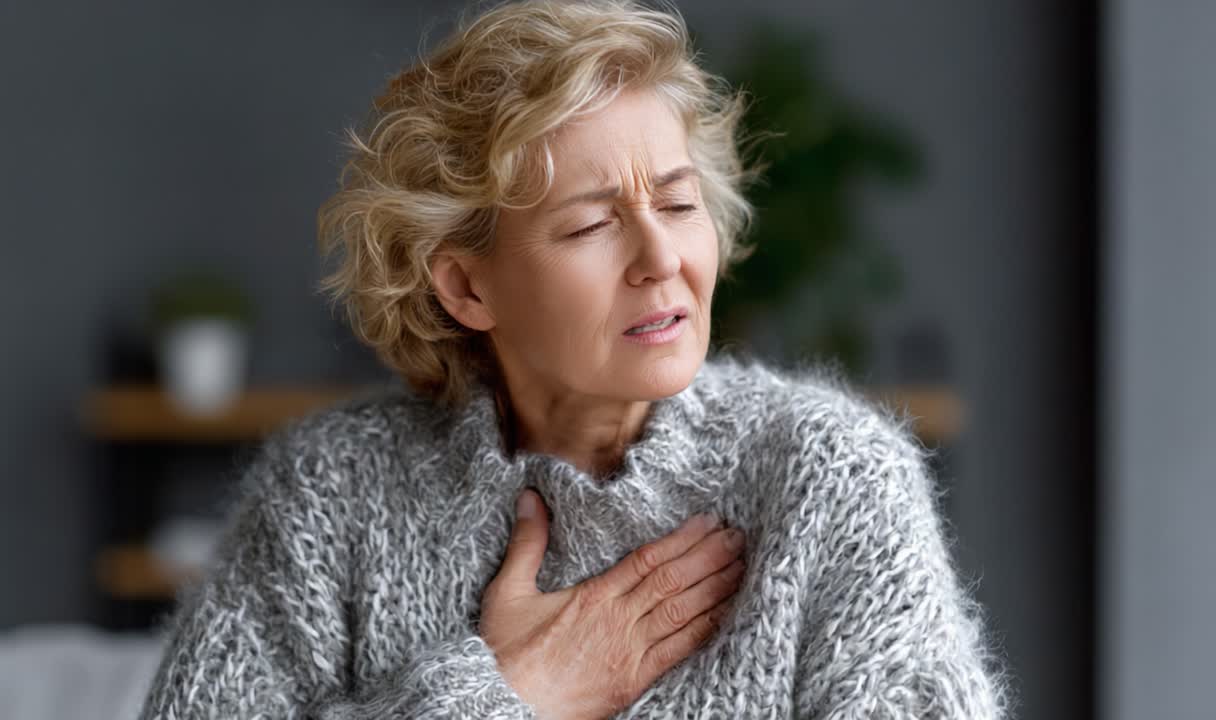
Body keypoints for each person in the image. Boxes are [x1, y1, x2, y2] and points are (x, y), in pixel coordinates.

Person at [138, 1, 1015, 718]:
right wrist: (511, 693)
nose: (660, 258)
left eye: (677, 205)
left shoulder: (833, 482)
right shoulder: (326, 497)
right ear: (466, 289)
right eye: (593, 224)